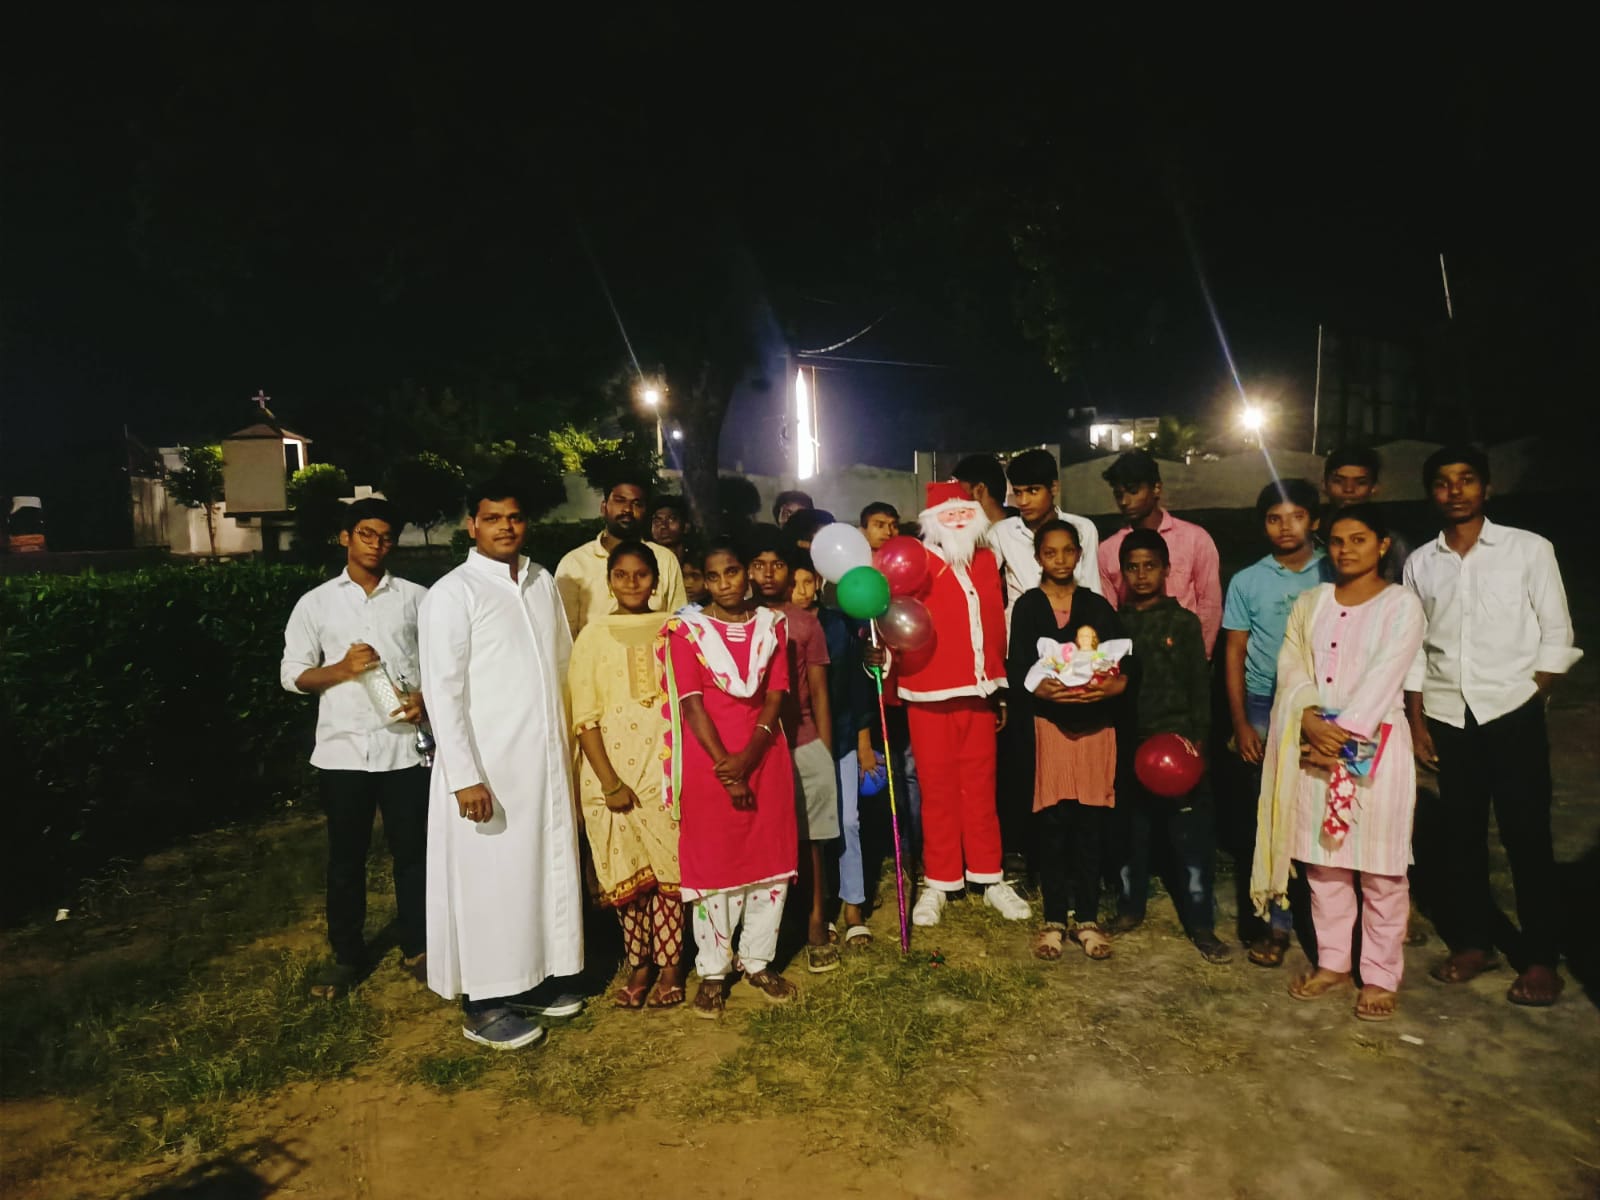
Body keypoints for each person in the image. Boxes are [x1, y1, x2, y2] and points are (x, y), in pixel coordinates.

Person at [1404, 445, 1581, 1007]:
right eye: (1443, 482)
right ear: (1431, 493)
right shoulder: (1421, 563)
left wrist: (1533, 695)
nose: (1455, 490)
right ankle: (1474, 942)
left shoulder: (1529, 549)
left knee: (1527, 836)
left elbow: (1557, 632)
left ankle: (1540, 957)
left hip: (1511, 711)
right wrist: (1417, 720)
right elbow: (1414, 646)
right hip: (1448, 714)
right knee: (1461, 837)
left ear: (1487, 488)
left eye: (1466, 479)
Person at [421, 478, 585, 1050]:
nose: (505, 527)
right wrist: (465, 776)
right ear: (472, 525)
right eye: (493, 518)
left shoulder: (541, 582)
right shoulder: (453, 593)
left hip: (543, 763)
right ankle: (484, 1002)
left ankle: (533, 980)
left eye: (514, 517)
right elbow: (442, 692)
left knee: (539, 870)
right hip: (487, 768)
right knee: (489, 881)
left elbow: (563, 664)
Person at [1251, 506, 1425, 1020]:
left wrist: (1342, 736)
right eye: (1338, 541)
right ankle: (1333, 963)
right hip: (1313, 745)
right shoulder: (1313, 602)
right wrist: (1308, 718)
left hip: (1377, 746)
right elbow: (1291, 664)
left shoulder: (1401, 605)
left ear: (1382, 544)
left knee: (1382, 871)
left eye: (1359, 539)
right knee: (1324, 865)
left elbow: (1387, 675)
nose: (1347, 550)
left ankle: (1380, 974)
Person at [280, 498, 430, 999]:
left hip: (404, 749)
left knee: (413, 853)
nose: (376, 544)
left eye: (386, 537)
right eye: (366, 534)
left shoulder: (416, 599)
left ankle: (418, 946)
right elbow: (292, 675)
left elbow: (442, 662)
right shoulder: (316, 603)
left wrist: (424, 699)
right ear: (345, 537)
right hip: (343, 751)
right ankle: (347, 955)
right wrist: (343, 670)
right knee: (346, 858)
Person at [662, 540, 801, 1017]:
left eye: (733, 572)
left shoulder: (772, 625)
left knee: (770, 860)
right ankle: (714, 971)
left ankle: (758, 960)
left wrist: (750, 756)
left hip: (765, 756)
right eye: (714, 575)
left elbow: (776, 695)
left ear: (747, 574)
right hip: (710, 761)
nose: (725, 583)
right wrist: (727, 766)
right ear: (702, 581)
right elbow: (691, 704)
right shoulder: (686, 631)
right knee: (714, 866)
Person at [897, 481, 1031, 926]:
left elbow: (993, 623)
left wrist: (1000, 687)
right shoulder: (916, 561)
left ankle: (988, 875)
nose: (956, 521)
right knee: (936, 789)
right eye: (948, 514)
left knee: (981, 785)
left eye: (963, 513)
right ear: (933, 521)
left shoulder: (986, 560)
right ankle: (939, 880)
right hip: (928, 690)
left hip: (979, 690)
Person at [567, 541, 684, 1010]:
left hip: (665, 771)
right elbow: (584, 716)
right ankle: (640, 963)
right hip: (609, 776)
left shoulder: (677, 629)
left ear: (656, 580)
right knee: (624, 872)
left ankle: (672, 965)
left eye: (642, 574)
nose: (632, 583)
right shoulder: (592, 637)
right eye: (621, 575)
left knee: (671, 870)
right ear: (609, 580)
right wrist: (610, 782)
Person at [1007, 520, 1129, 962]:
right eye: (1050, 552)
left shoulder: (1096, 606)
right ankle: (1055, 919)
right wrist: (1041, 689)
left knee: (1089, 824)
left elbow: (1123, 662)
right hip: (1049, 729)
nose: (1059, 560)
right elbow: (1019, 664)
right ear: (1038, 557)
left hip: (1095, 728)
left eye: (1067, 551)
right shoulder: (1028, 606)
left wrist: (1112, 687)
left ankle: (1088, 920)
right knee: (1054, 823)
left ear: (1079, 554)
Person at [1114, 529, 1231, 962]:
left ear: (1166, 569)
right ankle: (1129, 909)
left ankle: (1201, 924)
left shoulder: (1183, 623)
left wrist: (1199, 742)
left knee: (1191, 840)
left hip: (1178, 746)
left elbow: (1199, 687)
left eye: (1150, 566)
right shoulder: (1116, 625)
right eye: (1132, 568)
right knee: (1132, 835)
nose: (1142, 575)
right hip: (1132, 745)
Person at [1221, 479, 1325, 965]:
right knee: (1271, 815)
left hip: (1326, 708)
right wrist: (1241, 721)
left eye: (1297, 516)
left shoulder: (1334, 570)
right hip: (1265, 704)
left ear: (1315, 521)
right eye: (1274, 519)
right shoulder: (1248, 580)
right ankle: (1276, 923)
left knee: (1324, 813)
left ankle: (1329, 923)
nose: (1286, 527)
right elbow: (1234, 652)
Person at [749, 529, 839, 973]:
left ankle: (817, 920)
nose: (768, 574)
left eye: (778, 565)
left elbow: (819, 690)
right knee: (763, 842)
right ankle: (768, 929)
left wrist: (823, 748)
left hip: (803, 740)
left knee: (812, 842)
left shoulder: (805, 623)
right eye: (759, 565)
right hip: (755, 748)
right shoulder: (738, 620)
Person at [1097, 449, 1222, 656]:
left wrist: (1199, 656)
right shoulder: (1107, 550)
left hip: (1185, 656)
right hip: (1133, 659)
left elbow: (1210, 605)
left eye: (1133, 491)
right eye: (1119, 494)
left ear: (1156, 488)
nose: (1125, 501)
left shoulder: (1195, 539)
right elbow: (1110, 614)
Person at [820, 584, 879, 948]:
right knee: (817, 828)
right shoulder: (775, 623)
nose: (801, 591)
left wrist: (863, 740)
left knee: (849, 820)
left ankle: (853, 904)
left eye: (808, 582)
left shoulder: (838, 625)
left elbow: (858, 687)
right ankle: (822, 906)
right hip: (803, 742)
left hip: (842, 736)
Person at [555, 475, 687, 636]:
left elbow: (679, 625)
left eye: (637, 504)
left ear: (645, 511)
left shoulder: (664, 560)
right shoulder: (574, 564)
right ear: (604, 507)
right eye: (620, 501)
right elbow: (564, 634)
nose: (627, 510)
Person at [985, 448, 1101, 605]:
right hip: (1020, 620)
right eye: (1018, 492)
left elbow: (1092, 586)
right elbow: (983, 584)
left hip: (1073, 618)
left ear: (1054, 488)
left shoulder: (1083, 528)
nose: (1023, 501)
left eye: (1033, 491)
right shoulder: (1002, 533)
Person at [1321, 446, 1409, 583]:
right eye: (1339, 481)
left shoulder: (1393, 544)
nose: (1349, 489)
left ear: (1374, 488)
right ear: (1324, 485)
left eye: (1360, 482)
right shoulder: (1309, 538)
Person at [648, 494, 692, 564]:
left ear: (686, 527)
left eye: (671, 519)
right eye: (657, 521)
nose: (663, 526)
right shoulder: (646, 563)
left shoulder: (698, 564)